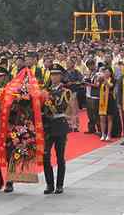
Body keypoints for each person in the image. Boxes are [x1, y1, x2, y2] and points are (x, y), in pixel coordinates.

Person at [42, 64, 71, 195]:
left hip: (59, 125)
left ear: (61, 76)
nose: (53, 77)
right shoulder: (45, 90)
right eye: (52, 74)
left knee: (60, 157)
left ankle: (59, 184)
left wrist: (48, 99)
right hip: (47, 126)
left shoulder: (65, 91)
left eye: (56, 74)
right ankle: (49, 184)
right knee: (45, 155)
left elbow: (61, 107)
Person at [98, 66, 117, 141]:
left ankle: (109, 134)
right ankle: (103, 134)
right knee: (102, 118)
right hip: (102, 100)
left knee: (109, 118)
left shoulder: (113, 80)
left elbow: (110, 86)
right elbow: (97, 86)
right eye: (105, 72)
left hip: (110, 100)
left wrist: (105, 79)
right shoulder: (101, 80)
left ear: (111, 73)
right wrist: (98, 79)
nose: (106, 73)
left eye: (108, 72)